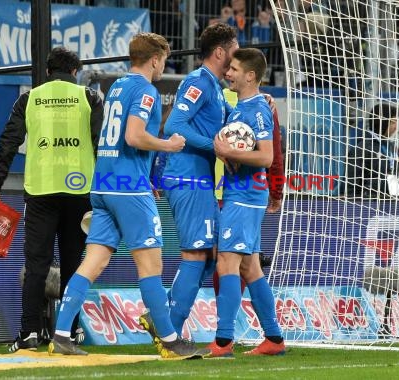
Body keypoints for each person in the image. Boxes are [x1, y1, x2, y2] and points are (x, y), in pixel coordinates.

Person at [47, 32, 209, 359]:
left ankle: (61, 334)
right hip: (129, 189)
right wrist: (168, 144)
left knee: (94, 261)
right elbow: (134, 136)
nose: (164, 64)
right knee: (150, 263)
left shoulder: (118, 86)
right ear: (154, 59)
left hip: (103, 184)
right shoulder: (146, 90)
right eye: (164, 58)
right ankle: (169, 339)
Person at [0, 47, 104, 353]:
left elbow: (8, 142)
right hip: (80, 192)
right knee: (73, 264)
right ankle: (69, 330)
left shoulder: (30, 98)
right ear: (76, 71)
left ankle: (29, 333)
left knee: (36, 264)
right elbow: (100, 145)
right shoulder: (89, 98)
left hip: (40, 191)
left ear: (48, 72)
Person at [149, 23, 239, 338]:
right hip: (187, 178)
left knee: (208, 256)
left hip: (198, 179)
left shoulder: (215, 87)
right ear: (219, 52)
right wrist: (213, 146)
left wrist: (262, 99)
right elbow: (174, 124)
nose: (237, 56)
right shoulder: (197, 82)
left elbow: (234, 118)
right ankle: (169, 331)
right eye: (234, 49)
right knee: (197, 254)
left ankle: (162, 319)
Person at [207, 47, 285, 357]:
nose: (228, 73)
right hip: (241, 192)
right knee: (250, 269)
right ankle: (274, 339)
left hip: (246, 196)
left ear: (250, 76)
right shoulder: (241, 107)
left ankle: (223, 341)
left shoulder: (256, 109)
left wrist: (228, 153)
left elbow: (266, 156)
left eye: (234, 69)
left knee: (227, 262)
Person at [345, 103, 399, 198]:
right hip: (369, 206)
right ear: (382, 121)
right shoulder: (363, 148)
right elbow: (350, 184)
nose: (396, 127)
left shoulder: (391, 146)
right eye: (393, 122)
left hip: (391, 203)